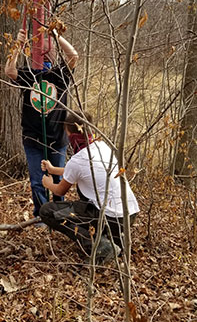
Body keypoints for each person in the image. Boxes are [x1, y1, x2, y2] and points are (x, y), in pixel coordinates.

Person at [40, 111, 140, 264]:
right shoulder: (102, 146)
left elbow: (60, 190)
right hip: (128, 213)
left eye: (67, 134)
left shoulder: (78, 159)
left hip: (109, 216)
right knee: (89, 199)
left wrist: (47, 183)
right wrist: (53, 170)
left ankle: (100, 245)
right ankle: (114, 242)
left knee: (47, 211)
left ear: (73, 135)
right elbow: (81, 170)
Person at [5, 28, 78, 219]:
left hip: (56, 139)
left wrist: (57, 35)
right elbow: (9, 71)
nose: (45, 53)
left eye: (48, 49)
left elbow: (73, 56)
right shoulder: (29, 75)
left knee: (58, 179)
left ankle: (59, 215)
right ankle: (41, 217)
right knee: (38, 181)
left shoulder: (60, 75)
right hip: (32, 137)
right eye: (40, 50)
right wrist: (18, 45)